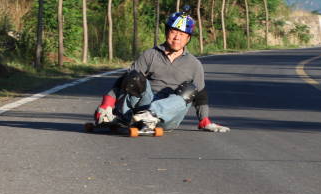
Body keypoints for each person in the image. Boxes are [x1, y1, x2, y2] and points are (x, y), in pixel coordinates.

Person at [94, 9, 230, 133]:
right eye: (174, 32)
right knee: (134, 76)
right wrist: (106, 104)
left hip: (168, 115)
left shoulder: (194, 64)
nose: (177, 37)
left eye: (182, 34)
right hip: (142, 109)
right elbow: (125, 80)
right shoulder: (151, 54)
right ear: (167, 32)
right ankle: (122, 117)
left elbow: (200, 95)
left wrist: (204, 121)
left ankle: (152, 115)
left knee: (188, 91)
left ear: (188, 38)